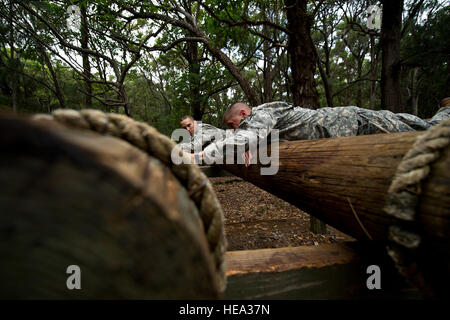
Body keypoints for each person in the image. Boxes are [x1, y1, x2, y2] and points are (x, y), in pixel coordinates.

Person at [196, 100, 450, 165]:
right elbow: (253, 139)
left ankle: (445, 112)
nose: (233, 129)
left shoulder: (262, 112)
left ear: (243, 114)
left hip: (360, 123)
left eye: (232, 124)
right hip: (356, 129)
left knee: (426, 131)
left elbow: (250, 135)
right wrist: (251, 147)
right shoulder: (261, 122)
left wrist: (201, 156)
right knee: (420, 126)